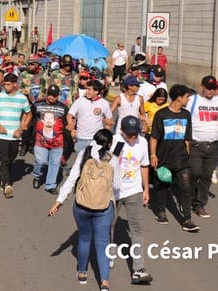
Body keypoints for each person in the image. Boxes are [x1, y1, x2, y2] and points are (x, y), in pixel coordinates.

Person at [48, 129, 118, 291]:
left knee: (84, 239)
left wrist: (59, 201)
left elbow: (72, 179)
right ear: (109, 144)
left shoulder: (84, 153)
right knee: (102, 243)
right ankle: (104, 282)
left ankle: (82, 272)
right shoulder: (112, 160)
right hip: (103, 207)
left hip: (82, 206)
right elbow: (117, 185)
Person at [150, 84, 199, 232]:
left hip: (181, 159)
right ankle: (161, 211)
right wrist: (153, 154)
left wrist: (188, 155)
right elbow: (154, 137)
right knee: (163, 185)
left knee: (186, 188)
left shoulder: (186, 115)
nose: (188, 100)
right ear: (178, 97)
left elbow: (187, 138)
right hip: (164, 157)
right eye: (186, 97)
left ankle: (187, 219)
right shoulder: (161, 114)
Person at [109, 116, 153, 284]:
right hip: (113, 192)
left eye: (136, 133)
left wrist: (146, 188)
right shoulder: (115, 141)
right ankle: (108, 254)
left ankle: (138, 269)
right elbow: (108, 164)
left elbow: (144, 165)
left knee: (137, 229)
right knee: (109, 225)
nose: (134, 137)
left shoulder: (142, 142)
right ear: (122, 131)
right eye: (130, 134)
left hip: (134, 191)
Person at [186, 76, 218, 219]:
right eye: (208, 88)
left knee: (206, 176)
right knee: (194, 173)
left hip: (212, 146)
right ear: (202, 86)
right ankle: (188, 198)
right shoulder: (192, 100)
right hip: (195, 144)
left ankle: (199, 204)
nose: (211, 91)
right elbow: (184, 120)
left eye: (214, 89)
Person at [0, 73, 31, 198]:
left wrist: (21, 128)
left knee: (11, 159)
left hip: (15, 135)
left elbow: (29, 114)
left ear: (15, 84)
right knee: (4, 160)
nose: (6, 87)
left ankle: (4, 177)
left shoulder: (22, 98)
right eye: (4, 84)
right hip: (2, 135)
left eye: (8, 84)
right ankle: (6, 184)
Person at [30, 84, 67, 194]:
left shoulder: (63, 107)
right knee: (40, 161)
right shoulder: (37, 104)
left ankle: (50, 185)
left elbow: (67, 122)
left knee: (55, 163)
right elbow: (30, 117)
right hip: (41, 140)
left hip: (57, 141)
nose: (51, 97)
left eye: (54, 95)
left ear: (58, 96)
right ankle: (37, 176)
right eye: (50, 94)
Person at [67, 80, 113, 156]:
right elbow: (69, 115)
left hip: (96, 139)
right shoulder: (79, 101)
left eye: (89, 89)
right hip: (81, 138)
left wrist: (104, 135)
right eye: (87, 89)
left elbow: (110, 121)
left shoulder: (104, 103)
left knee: (94, 160)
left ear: (96, 92)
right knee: (80, 160)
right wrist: (72, 129)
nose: (87, 91)